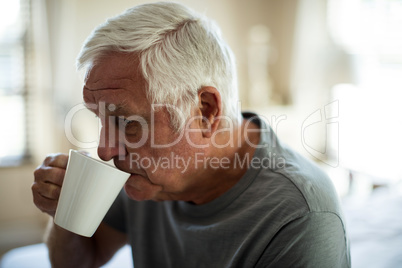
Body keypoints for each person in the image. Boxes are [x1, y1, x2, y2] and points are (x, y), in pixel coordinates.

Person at [32, 2, 350, 267]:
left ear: (205, 110)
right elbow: (79, 261)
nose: (105, 150)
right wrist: (63, 212)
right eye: (100, 119)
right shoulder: (143, 175)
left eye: (126, 121)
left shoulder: (300, 217)